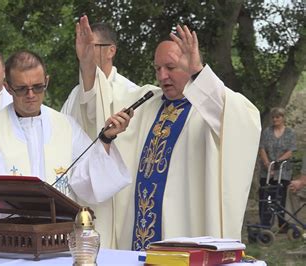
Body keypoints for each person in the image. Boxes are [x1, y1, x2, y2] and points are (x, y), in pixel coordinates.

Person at [69, 15, 261, 250]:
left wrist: (199, 73)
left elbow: (239, 119)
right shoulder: (147, 102)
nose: (162, 76)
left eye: (170, 68)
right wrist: (89, 64)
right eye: (157, 68)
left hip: (186, 229)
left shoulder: (211, 109)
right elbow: (98, 106)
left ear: (191, 65)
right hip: (138, 232)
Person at [0, 51, 133, 247]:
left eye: (38, 87)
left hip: (62, 239)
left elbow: (86, 178)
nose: (31, 95)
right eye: (22, 89)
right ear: (8, 88)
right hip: (14, 239)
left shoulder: (66, 125)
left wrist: (107, 138)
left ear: (46, 81)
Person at [61, 22, 143, 140]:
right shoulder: (75, 93)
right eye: (82, 46)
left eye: (90, 46)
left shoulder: (131, 93)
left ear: (111, 51)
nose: (85, 52)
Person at [258, 107, 297, 228]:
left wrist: (278, 161)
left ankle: (282, 223)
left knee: (280, 197)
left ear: (283, 118)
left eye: (277, 117)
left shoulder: (290, 133)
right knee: (265, 195)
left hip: (283, 170)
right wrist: (267, 163)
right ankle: (265, 222)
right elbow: (262, 148)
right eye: (273, 117)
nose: (275, 119)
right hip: (267, 169)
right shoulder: (267, 132)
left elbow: (291, 151)